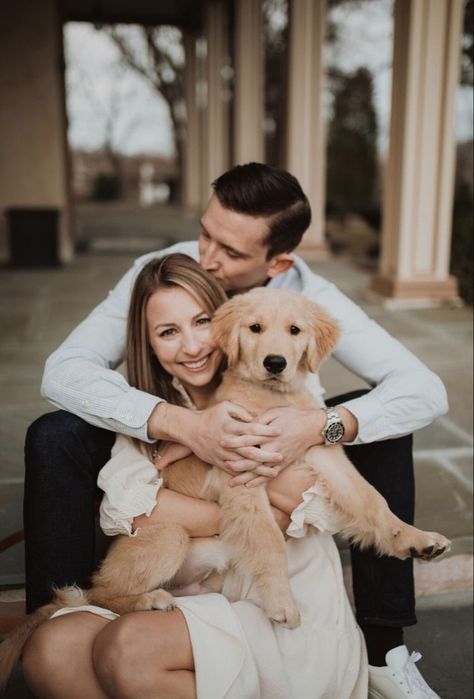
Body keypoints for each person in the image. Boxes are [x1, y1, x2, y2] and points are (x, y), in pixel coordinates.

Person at [25, 163, 448, 699]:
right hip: (178, 423)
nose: (207, 257)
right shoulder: (163, 273)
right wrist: (184, 425)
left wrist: (319, 424)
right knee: (53, 433)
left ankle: (384, 645)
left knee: (377, 421)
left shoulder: (309, 297)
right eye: (206, 232)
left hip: (282, 425)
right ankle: (65, 611)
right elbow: (62, 372)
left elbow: (423, 390)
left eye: (230, 251)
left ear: (279, 262)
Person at [22, 253, 367, 699]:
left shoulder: (286, 388)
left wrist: (216, 472)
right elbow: (136, 517)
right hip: (192, 588)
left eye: (202, 322)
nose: (192, 346)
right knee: (49, 651)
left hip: (280, 595)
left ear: (230, 323)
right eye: (168, 332)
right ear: (147, 345)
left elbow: (313, 505)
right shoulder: (141, 414)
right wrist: (189, 429)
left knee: (129, 649)